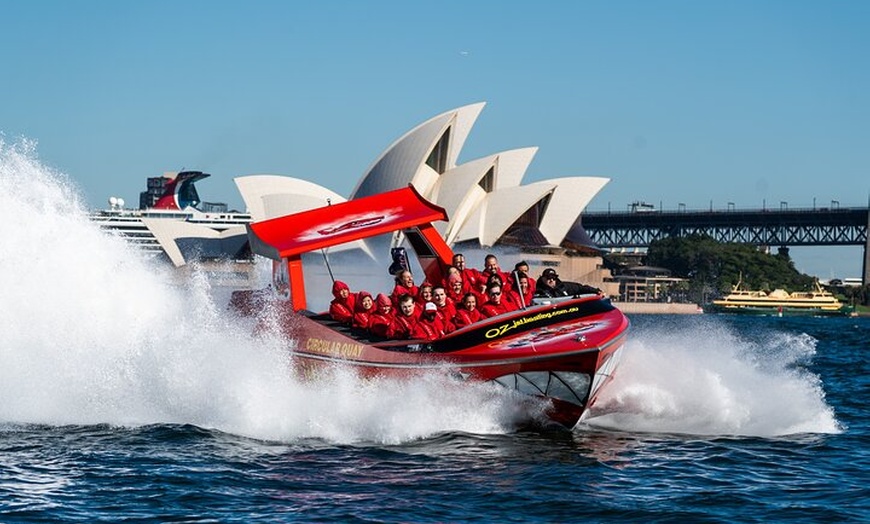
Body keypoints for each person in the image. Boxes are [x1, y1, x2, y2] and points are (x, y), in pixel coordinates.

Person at [534, 268, 601, 298]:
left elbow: (581, 288)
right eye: (548, 278)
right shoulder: (538, 291)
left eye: (554, 278)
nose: (551, 280)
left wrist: (597, 291)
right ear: (543, 278)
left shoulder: (564, 286)